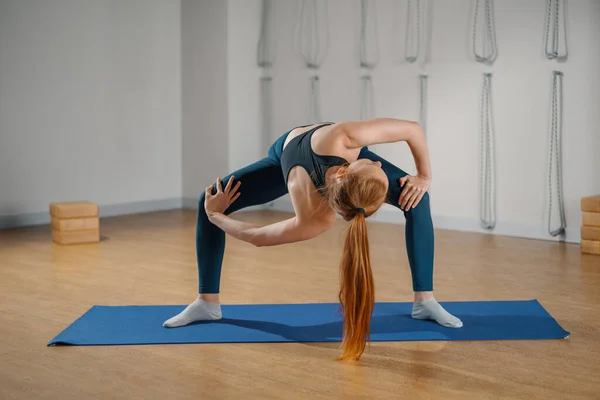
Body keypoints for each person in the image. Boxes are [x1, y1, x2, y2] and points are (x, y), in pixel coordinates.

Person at [163, 118, 463, 361]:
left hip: (296, 156)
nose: (381, 163)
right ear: (345, 168)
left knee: (417, 199)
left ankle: (425, 302)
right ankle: (207, 303)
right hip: (283, 155)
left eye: (375, 165)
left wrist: (422, 177)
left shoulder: (321, 206)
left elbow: (257, 237)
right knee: (210, 198)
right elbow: (412, 128)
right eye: (376, 164)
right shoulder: (341, 144)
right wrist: (215, 215)